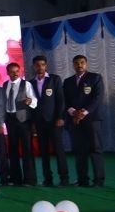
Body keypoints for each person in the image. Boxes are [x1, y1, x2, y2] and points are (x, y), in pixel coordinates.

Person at [63, 55, 105, 187]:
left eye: (82, 62)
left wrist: (83, 113)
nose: (79, 65)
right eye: (76, 63)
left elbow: (97, 98)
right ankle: (82, 180)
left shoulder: (95, 78)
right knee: (79, 150)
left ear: (86, 64)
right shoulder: (68, 81)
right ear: (73, 65)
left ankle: (98, 180)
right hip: (75, 120)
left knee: (95, 149)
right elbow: (65, 100)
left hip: (92, 119)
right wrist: (73, 112)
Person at [30, 55, 69, 186]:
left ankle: (64, 178)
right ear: (34, 66)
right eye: (37, 65)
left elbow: (61, 100)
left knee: (58, 150)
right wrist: (33, 122)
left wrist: (60, 117)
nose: (40, 67)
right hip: (39, 122)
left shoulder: (54, 79)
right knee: (43, 151)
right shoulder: (31, 83)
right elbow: (32, 105)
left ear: (46, 66)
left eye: (42, 64)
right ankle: (48, 179)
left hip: (54, 121)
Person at [3, 62, 38, 186]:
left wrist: (30, 101)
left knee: (27, 149)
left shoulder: (26, 84)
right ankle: (15, 178)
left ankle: (30, 179)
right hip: (10, 120)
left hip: (23, 121)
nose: (15, 73)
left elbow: (34, 100)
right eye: (12, 71)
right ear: (8, 73)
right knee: (12, 150)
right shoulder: (5, 85)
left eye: (17, 71)